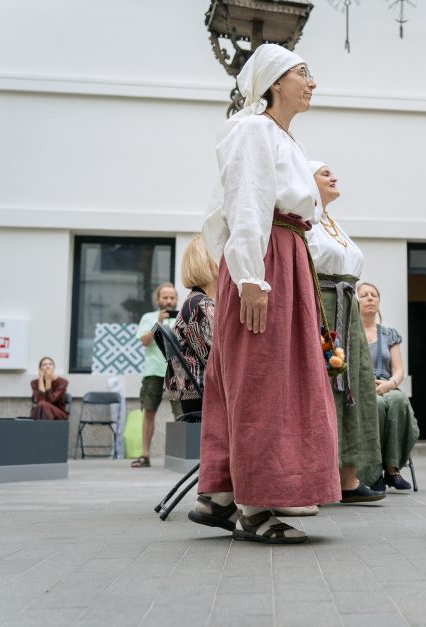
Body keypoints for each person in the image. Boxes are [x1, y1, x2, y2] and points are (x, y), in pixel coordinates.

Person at [197, 43, 340, 544]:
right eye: (304, 72)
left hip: (283, 255)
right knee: (261, 379)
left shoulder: (282, 138)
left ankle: (222, 493)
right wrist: (251, 278)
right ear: (276, 82)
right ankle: (254, 509)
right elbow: (246, 204)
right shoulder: (255, 130)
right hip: (267, 260)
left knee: (264, 375)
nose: (312, 83)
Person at [306, 161, 384, 505]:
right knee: (328, 384)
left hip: (346, 306)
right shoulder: (304, 221)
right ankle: (322, 477)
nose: (334, 177)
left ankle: (348, 478)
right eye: (325, 173)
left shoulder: (331, 222)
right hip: (322, 306)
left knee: (354, 387)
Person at [357, 282, 420, 491]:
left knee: (398, 400)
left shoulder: (389, 334)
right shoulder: (350, 333)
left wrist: (390, 384)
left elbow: (399, 370)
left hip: (387, 385)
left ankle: (392, 470)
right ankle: (373, 473)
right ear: (356, 301)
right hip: (361, 389)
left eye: (374, 295)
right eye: (364, 295)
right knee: (375, 405)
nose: (370, 298)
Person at [162, 235, 217, 417]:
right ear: (210, 262)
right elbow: (217, 359)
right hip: (206, 395)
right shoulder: (201, 306)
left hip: (194, 395)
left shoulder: (193, 301)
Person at [131, 282, 181, 468]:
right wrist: (158, 322)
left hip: (177, 371)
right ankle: (145, 455)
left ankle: (178, 455)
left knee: (180, 414)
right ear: (158, 299)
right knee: (149, 412)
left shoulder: (182, 317)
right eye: (165, 297)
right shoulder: (148, 317)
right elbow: (144, 341)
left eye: (172, 297)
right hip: (154, 371)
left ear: (176, 299)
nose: (169, 301)